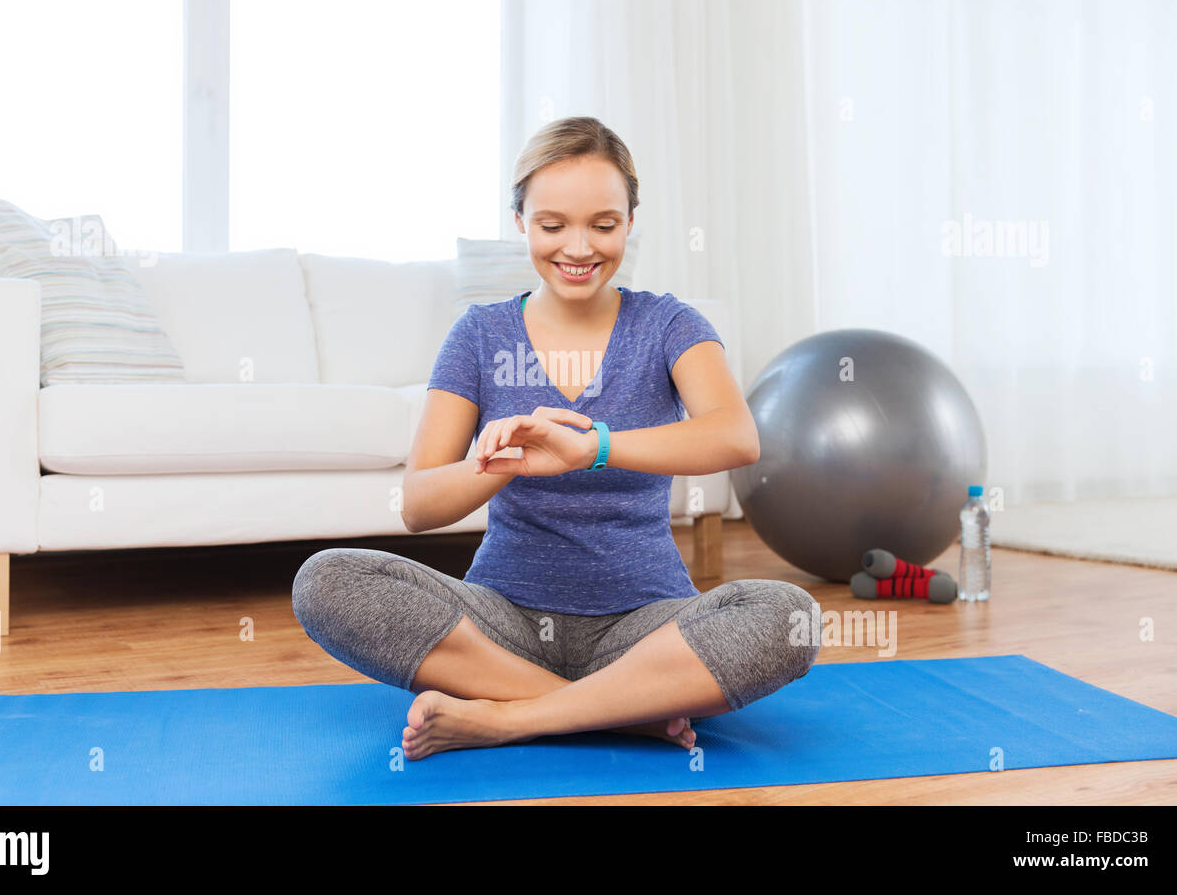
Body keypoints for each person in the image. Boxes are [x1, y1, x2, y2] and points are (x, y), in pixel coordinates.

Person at [293, 116, 820, 761]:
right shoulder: (480, 335)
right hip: (503, 624)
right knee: (324, 580)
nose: (579, 248)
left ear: (630, 221)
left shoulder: (669, 324)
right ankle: (620, 713)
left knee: (789, 619)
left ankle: (515, 718)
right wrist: (501, 464)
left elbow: (736, 438)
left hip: (646, 631)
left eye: (604, 225)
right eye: (552, 226)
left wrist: (596, 446)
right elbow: (419, 505)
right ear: (520, 221)